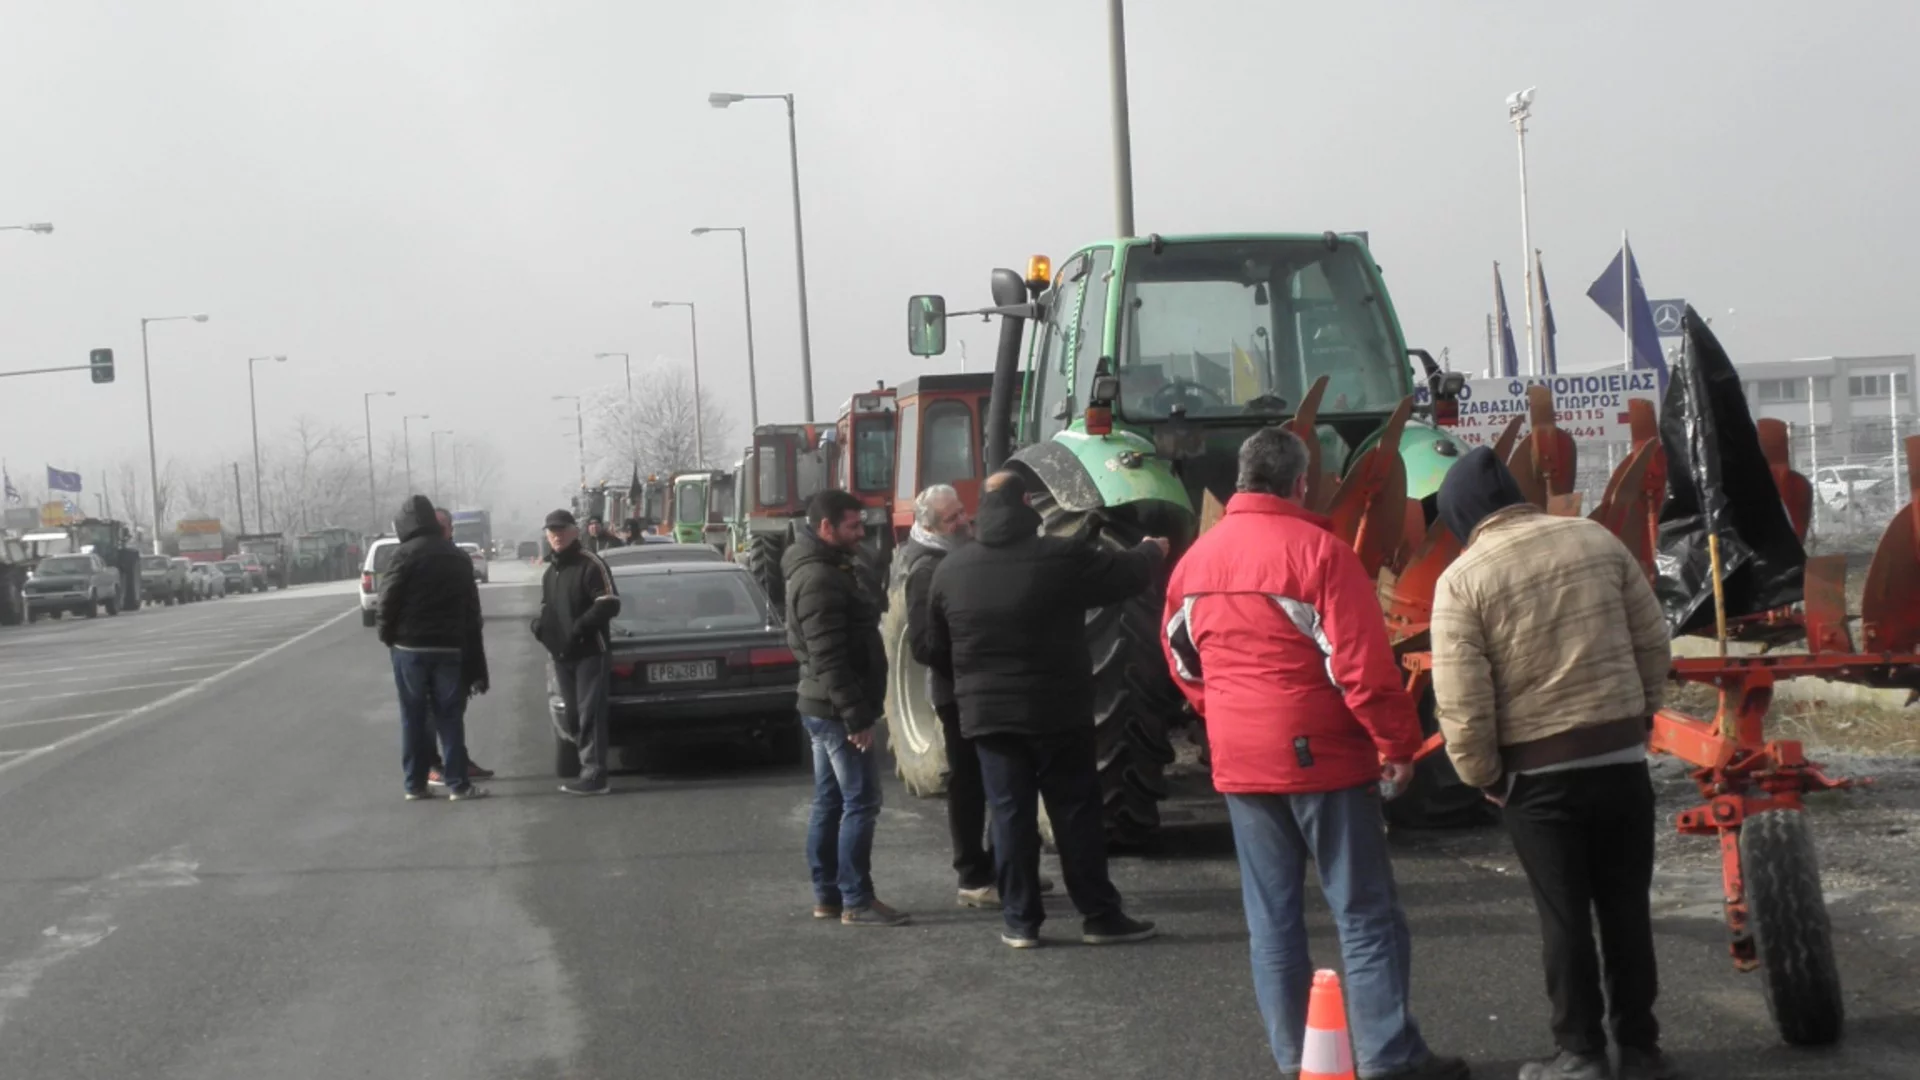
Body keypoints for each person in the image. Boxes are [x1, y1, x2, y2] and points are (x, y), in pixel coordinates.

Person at [1163, 428, 1468, 1080]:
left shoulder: (1194, 562)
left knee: (1272, 921)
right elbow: (1361, 668)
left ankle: (1298, 1059)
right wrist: (1397, 743)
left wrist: (1222, 713)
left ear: (1243, 479)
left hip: (1242, 761)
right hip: (1323, 759)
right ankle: (1388, 1055)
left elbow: (1180, 656)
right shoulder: (1322, 556)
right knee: (1364, 914)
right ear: (1300, 483)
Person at [1431, 447, 1674, 1080]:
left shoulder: (1463, 578)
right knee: (1625, 907)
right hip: (1620, 759)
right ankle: (1641, 1049)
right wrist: (1640, 713)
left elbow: (1462, 696)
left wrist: (1481, 773)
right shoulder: (1594, 539)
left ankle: (1581, 1053)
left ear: (1461, 514)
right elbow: (1652, 637)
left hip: (1538, 776)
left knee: (1564, 915)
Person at [926, 470, 1164, 949]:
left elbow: (931, 646)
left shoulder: (949, 571)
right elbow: (1125, 576)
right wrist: (1152, 550)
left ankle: (1020, 922)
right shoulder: (1060, 557)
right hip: (1057, 712)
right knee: (1075, 812)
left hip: (990, 721)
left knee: (1010, 815)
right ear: (1029, 503)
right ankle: (1099, 916)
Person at [784, 489, 907, 927]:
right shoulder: (818, 579)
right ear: (826, 528)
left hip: (825, 705)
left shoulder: (830, 568)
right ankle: (854, 898)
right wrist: (856, 717)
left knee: (831, 802)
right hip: (836, 712)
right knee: (860, 801)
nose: (861, 533)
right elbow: (829, 658)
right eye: (852, 526)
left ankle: (829, 897)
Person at [902, 484, 998, 904]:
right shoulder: (926, 570)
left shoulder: (957, 555)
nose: (964, 522)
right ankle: (972, 876)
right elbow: (925, 647)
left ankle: (1002, 863)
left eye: (962, 512)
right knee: (968, 784)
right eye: (952, 519)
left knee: (995, 778)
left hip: (977, 687)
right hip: (955, 694)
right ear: (928, 526)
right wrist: (971, 665)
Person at [377, 495, 490, 801]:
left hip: (409, 648)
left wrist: (388, 635)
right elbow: (470, 611)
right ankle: (458, 784)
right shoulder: (457, 557)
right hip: (449, 648)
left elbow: (387, 601)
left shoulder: (402, 555)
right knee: (449, 717)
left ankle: (415, 783)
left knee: (412, 716)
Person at [531, 508, 622, 795]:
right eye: (551, 531)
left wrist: (579, 628)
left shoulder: (591, 564)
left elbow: (609, 602)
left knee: (589, 714)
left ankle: (595, 775)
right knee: (571, 716)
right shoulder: (550, 572)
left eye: (562, 530)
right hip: (562, 656)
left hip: (590, 653)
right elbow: (548, 608)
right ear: (546, 536)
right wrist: (541, 628)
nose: (557, 536)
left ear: (574, 532)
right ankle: (587, 768)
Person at [425, 507, 493, 786]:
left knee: (455, 708)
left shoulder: (459, 559)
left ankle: (459, 759)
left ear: (451, 529)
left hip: (460, 643)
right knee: (431, 712)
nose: (442, 530)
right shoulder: (422, 558)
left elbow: (470, 605)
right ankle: (431, 765)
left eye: (445, 525)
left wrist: (478, 664)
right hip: (431, 647)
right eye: (436, 525)